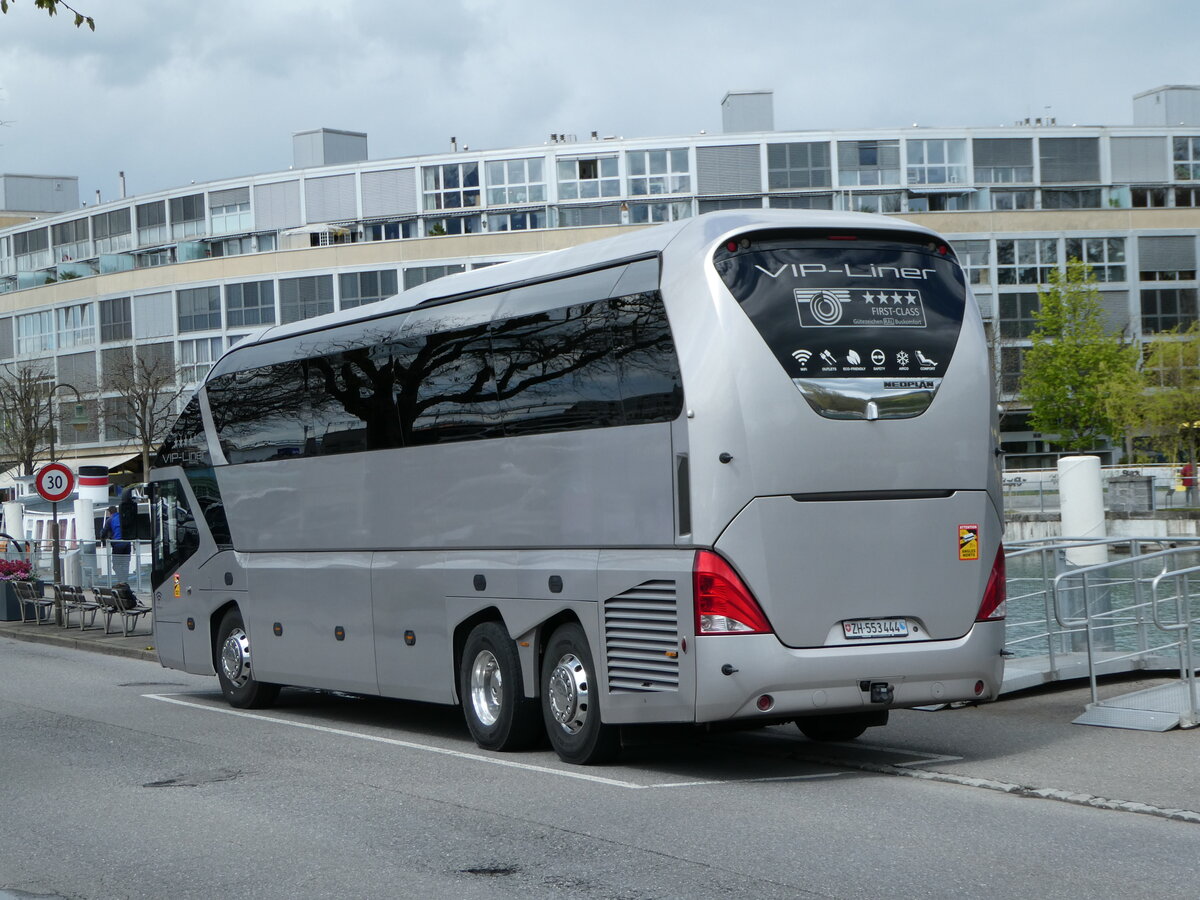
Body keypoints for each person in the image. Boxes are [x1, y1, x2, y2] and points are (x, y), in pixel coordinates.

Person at [99, 504, 131, 581]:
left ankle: (121, 581)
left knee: (116, 565)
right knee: (125, 564)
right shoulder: (123, 518)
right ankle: (125, 581)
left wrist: (102, 539)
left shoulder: (110, 520)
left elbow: (104, 532)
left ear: (110, 513)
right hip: (127, 544)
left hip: (118, 544)